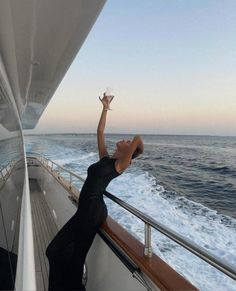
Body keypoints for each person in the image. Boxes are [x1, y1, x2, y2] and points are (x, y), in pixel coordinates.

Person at [46, 93, 144, 291]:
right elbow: (100, 131)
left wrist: (131, 151)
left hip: (93, 212)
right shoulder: (106, 159)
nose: (124, 139)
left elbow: (138, 138)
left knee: (67, 256)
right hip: (86, 210)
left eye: (126, 142)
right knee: (58, 252)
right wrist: (105, 107)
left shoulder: (119, 165)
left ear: (128, 154)